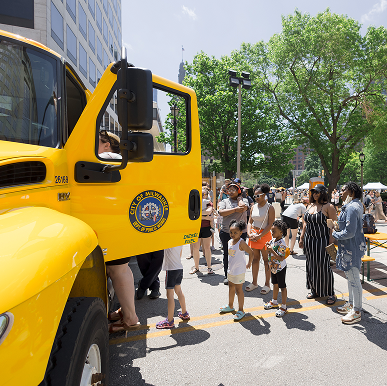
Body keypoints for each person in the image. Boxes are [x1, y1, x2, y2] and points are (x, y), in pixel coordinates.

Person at [98, 130, 140, 333]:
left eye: (96, 142)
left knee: (118, 270)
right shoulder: (119, 159)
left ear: (107, 145)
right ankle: (126, 311)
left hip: (111, 222)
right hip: (119, 221)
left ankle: (130, 318)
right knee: (122, 269)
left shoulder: (107, 157)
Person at [327, 182, 366, 324]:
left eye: (343, 190)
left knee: (354, 280)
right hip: (350, 248)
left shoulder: (352, 207)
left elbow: (350, 232)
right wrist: (337, 225)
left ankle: (356, 311)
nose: (340, 192)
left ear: (351, 192)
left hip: (352, 248)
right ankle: (351, 304)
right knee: (351, 278)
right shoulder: (353, 205)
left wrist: (334, 233)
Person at [299, 184, 338, 304]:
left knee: (324, 267)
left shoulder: (329, 207)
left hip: (323, 240)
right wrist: (301, 238)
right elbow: (305, 223)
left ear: (323, 193)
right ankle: (314, 290)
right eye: (313, 192)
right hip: (309, 241)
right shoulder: (310, 205)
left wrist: (331, 240)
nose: (315, 194)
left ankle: (330, 293)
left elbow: (333, 225)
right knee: (311, 266)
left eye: (317, 192)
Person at [219, 220, 254, 321]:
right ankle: (230, 306)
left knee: (239, 291)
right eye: (231, 232)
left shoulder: (241, 242)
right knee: (231, 288)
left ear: (240, 233)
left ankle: (241, 310)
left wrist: (249, 263)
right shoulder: (229, 241)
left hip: (239, 271)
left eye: (235, 232)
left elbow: (251, 252)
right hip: (231, 270)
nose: (232, 234)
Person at [245, 184, 275, 294]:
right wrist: (249, 233)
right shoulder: (253, 207)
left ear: (264, 195)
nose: (256, 198)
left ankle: (267, 284)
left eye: (258, 196)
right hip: (253, 235)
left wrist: (260, 235)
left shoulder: (270, 208)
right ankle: (254, 282)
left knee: (267, 261)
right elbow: (249, 222)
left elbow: (270, 224)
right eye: (255, 196)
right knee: (255, 259)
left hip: (264, 235)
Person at [218, 183, 249, 284]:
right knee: (227, 254)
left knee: (239, 255)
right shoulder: (224, 201)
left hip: (241, 233)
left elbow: (243, 208)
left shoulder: (244, 201)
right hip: (226, 232)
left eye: (233, 190)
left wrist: (240, 198)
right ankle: (228, 275)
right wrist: (235, 210)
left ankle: (239, 274)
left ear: (239, 191)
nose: (230, 192)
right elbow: (221, 212)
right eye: (229, 190)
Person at [156, 245, 190, 329]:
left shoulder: (168, 241)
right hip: (179, 267)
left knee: (170, 295)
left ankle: (170, 320)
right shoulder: (179, 241)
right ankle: (184, 313)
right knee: (179, 291)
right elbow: (180, 254)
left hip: (171, 269)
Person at [264, 220, 289, 317]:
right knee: (275, 284)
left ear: (281, 232)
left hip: (280, 268)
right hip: (273, 267)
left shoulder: (282, 243)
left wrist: (271, 250)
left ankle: (283, 306)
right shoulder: (272, 241)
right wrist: (268, 248)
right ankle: (274, 301)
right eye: (271, 231)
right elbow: (269, 254)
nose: (272, 233)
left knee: (282, 287)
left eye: (274, 231)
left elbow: (281, 257)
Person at [190, 188, 215, 275]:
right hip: (195, 228)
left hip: (206, 227)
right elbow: (191, 214)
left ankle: (209, 267)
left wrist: (198, 215)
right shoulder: (193, 203)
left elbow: (208, 212)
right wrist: (204, 217)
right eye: (200, 194)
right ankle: (196, 267)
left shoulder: (209, 203)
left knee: (207, 248)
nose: (202, 196)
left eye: (204, 194)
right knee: (195, 248)